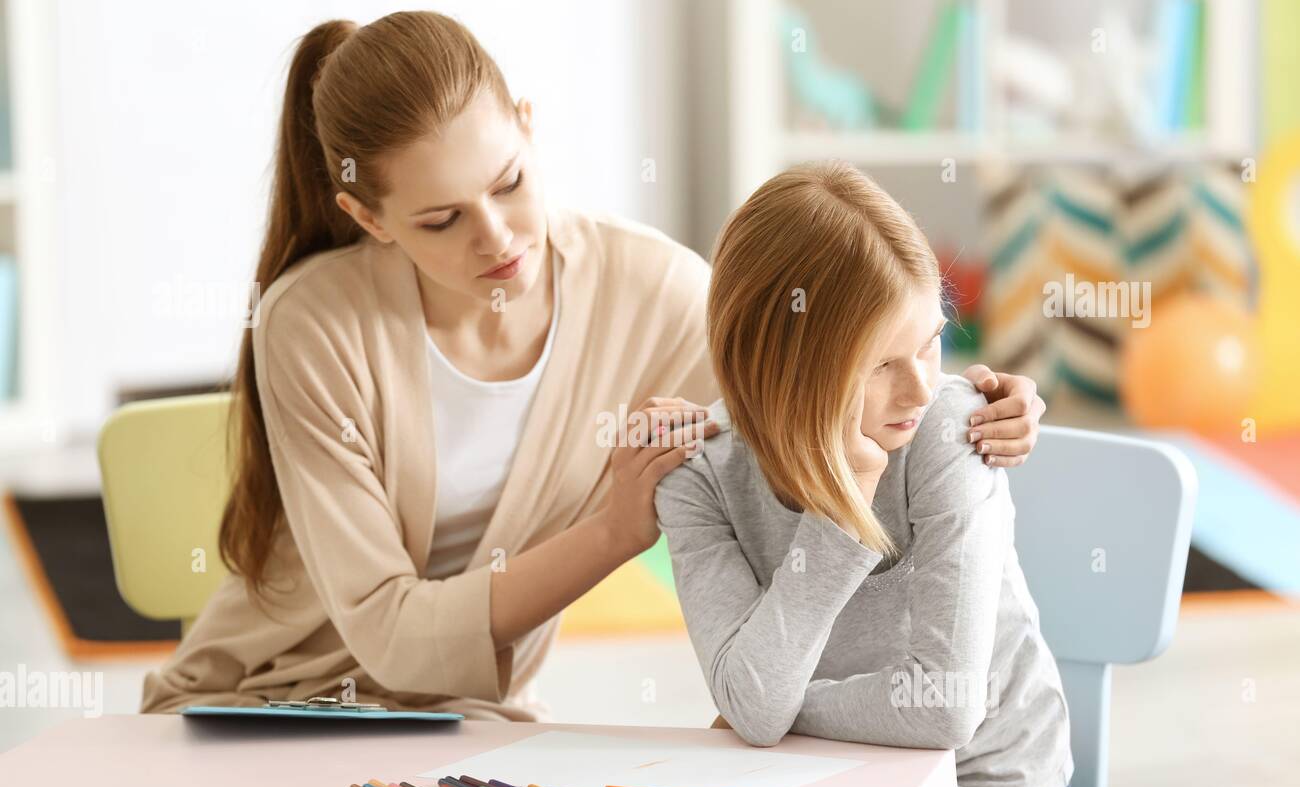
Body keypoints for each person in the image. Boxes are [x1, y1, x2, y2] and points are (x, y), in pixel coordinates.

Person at [141, 13, 1048, 727]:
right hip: (259, 709)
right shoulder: (312, 321)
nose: (497, 240)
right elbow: (392, 638)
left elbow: (822, 386)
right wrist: (616, 530)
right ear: (368, 218)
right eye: (440, 220)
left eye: (507, 183)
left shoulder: (653, 289)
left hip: (471, 725)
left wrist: (978, 402)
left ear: (529, 130)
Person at [654, 160, 1074, 787]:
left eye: (931, 342)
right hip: (822, 778)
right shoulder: (698, 474)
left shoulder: (949, 433)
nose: (919, 388)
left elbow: (944, 705)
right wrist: (839, 519)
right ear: (780, 366)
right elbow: (754, 709)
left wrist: (773, 705)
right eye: (881, 364)